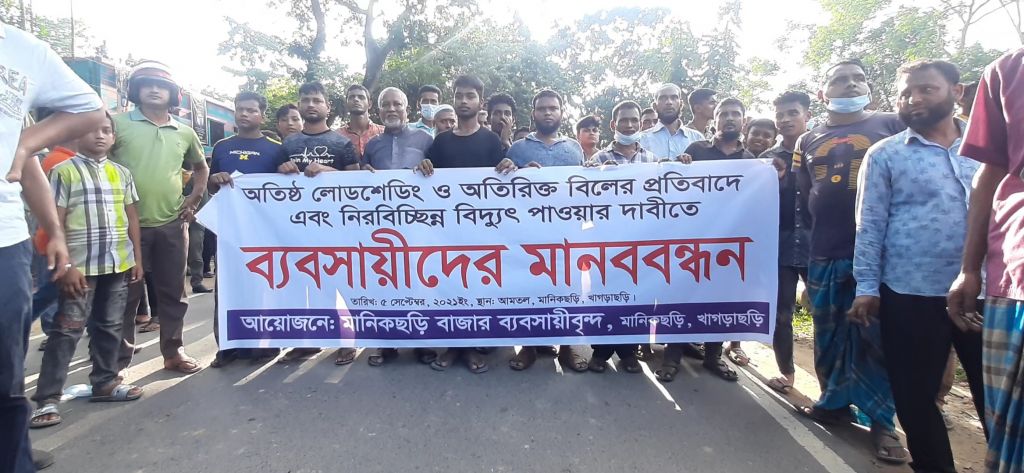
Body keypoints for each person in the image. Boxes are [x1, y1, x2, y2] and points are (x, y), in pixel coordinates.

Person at [851, 59, 984, 473]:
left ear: (957, 92)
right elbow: (869, 224)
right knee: (914, 397)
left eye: (926, 89)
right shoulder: (885, 155)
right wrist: (867, 287)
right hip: (910, 292)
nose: (913, 99)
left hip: (985, 292)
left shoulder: (990, 149)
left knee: (997, 395)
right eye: (906, 93)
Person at [0, 21, 104, 473]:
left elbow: (89, 109)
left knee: (5, 374)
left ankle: (13, 458)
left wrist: (54, 233)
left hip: (5, 241)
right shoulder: (66, 166)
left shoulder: (22, 48)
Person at [792, 59, 908, 464]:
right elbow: (806, 196)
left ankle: (883, 423)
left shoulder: (893, 125)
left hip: (879, 255)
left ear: (868, 86)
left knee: (875, 339)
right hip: (825, 251)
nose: (850, 85)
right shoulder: (807, 139)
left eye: (858, 78)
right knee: (828, 334)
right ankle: (833, 404)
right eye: (840, 80)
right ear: (823, 92)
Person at [30, 112, 146, 429]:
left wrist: (136, 258)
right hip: (79, 269)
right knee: (67, 329)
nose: (100, 135)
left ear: (113, 138)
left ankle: (105, 382)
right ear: (77, 134)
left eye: (106, 130)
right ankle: (47, 399)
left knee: (110, 326)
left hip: (117, 263)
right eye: (93, 130)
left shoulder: (122, 173)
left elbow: (131, 217)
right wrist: (65, 265)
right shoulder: (64, 171)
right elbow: (54, 222)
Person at [947, 48, 1024, 473]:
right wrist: (969, 269)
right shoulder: (1007, 71)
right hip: (1013, 276)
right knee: (1009, 434)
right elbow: (989, 173)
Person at [648, 98, 756, 384]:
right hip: (692, 241)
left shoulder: (751, 161)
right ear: (714, 119)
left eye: (735, 114)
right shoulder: (696, 150)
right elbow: (674, 188)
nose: (729, 118)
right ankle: (672, 358)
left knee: (721, 300)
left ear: (743, 120)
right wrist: (681, 165)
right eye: (724, 114)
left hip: (730, 244)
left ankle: (713, 356)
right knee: (682, 298)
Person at [111, 60, 209, 376]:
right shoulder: (117, 124)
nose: (154, 90)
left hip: (171, 223)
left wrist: (193, 199)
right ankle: (116, 363)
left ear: (172, 94)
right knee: (126, 296)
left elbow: (201, 168)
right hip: (124, 226)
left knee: (172, 293)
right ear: (135, 91)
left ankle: (174, 351)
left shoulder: (184, 132)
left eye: (161, 86)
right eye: (147, 85)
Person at [416, 75, 517, 374]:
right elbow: (427, 179)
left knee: (476, 289)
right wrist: (423, 166)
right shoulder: (441, 142)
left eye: (470, 96)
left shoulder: (491, 141)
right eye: (459, 95)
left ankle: (471, 346)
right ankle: (453, 347)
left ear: (479, 102)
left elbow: (503, 180)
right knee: (449, 288)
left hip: (482, 232)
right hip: (447, 232)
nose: (463, 101)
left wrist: (510, 165)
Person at [275, 81, 361, 366]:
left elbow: (357, 184)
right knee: (305, 286)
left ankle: (348, 340)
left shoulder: (342, 143)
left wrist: (328, 170)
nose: (311, 105)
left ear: (327, 107)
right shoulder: (288, 145)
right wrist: (282, 170)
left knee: (342, 286)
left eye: (317, 100)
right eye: (306, 100)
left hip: (337, 228)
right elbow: (273, 186)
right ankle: (308, 342)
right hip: (299, 228)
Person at [504, 89, 589, 373]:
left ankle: (567, 348)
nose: (548, 113)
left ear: (562, 112)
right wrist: (519, 171)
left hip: (566, 233)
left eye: (553, 108)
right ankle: (528, 347)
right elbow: (504, 190)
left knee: (568, 291)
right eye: (542, 108)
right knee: (528, 289)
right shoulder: (518, 149)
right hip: (528, 234)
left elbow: (583, 188)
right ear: (534, 113)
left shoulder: (574, 148)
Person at [362, 87, 437, 366]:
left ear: (407, 109)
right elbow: (360, 179)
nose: (391, 109)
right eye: (386, 105)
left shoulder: (426, 139)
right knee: (385, 282)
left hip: (418, 224)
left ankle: (422, 342)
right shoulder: (372, 145)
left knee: (419, 282)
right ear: (378, 110)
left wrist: (430, 167)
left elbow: (442, 177)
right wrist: (362, 174)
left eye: (397, 104)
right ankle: (386, 343)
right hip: (381, 226)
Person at [208, 91, 283, 368]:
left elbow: (286, 188)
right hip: (230, 229)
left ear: (262, 115)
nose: (244, 114)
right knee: (228, 286)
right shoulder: (221, 147)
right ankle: (227, 347)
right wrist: (215, 179)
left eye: (251, 110)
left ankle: (266, 346)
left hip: (264, 230)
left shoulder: (277, 148)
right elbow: (211, 186)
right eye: (240, 109)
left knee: (264, 286)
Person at [762, 91, 813, 395]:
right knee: (781, 314)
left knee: (827, 317)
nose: (785, 119)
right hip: (778, 248)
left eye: (792, 113)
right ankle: (787, 373)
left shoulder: (822, 150)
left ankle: (834, 386)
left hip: (818, 247)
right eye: (780, 115)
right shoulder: (765, 160)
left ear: (807, 115)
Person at [640, 83, 705, 161]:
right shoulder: (641, 140)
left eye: (674, 98)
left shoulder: (697, 138)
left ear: (681, 104)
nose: (669, 102)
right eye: (663, 98)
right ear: (655, 106)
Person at [590, 100, 657, 165]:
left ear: (641, 125)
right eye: (623, 121)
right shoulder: (598, 160)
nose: (629, 125)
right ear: (613, 125)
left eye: (634, 120)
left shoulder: (652, 160)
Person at [338, 84, 384, 162]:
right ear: (346, 104)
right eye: (351, 97)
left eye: (361, 97)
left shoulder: (384, 132)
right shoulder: (337, 135)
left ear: (369, 104)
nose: (356, 99)